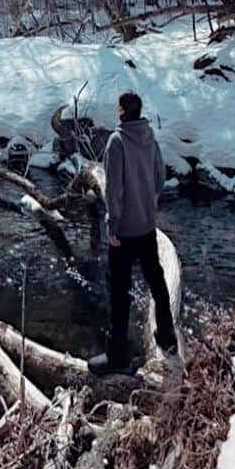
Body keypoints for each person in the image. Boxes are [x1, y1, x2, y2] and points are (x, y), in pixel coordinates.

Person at [88, 90, 178, 376]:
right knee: (157, 282)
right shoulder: (149, 136)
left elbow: (114, 190)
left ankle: (117, 356)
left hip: (124, 231)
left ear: (121, 112)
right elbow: (161, 177)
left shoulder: (117, 142)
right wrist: (149, 204)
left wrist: (113, 226)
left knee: (119, 291)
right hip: (147, 227)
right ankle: (167, 338)